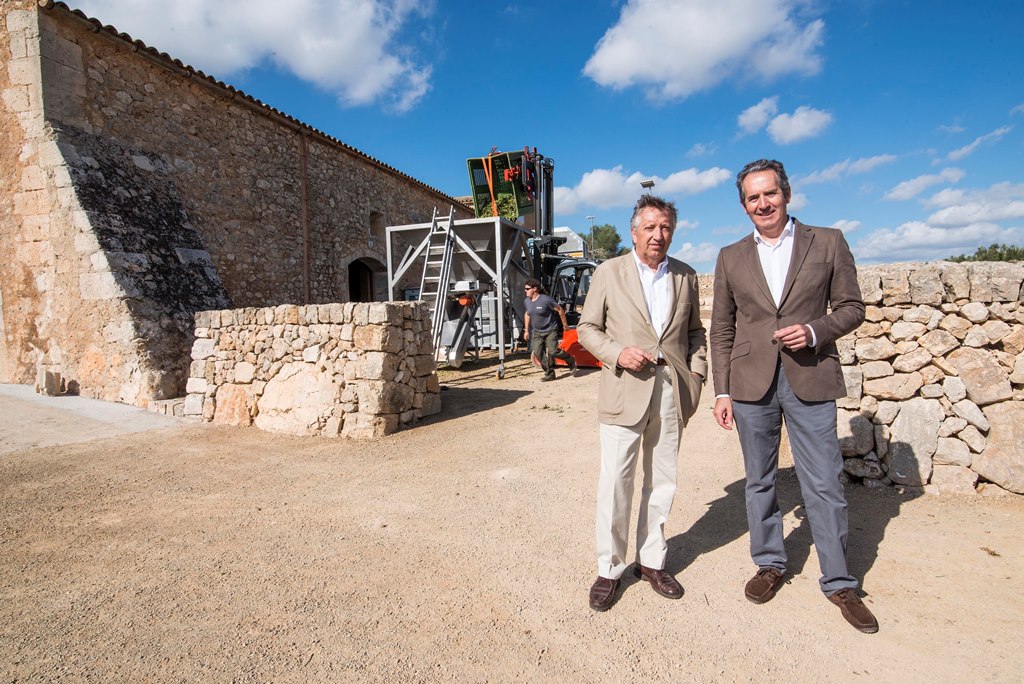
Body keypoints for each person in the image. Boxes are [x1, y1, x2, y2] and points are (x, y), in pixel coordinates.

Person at [710, 159, 877, 633]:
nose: (763, 203)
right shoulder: (729, 256)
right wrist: (722, 390)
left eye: (770, 193)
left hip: (811, 375)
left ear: (786, 193)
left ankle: (839, 581)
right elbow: (721, 328)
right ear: (743, 205)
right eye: (753, 197)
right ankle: (769, 563)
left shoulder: (828, 241)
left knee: (823, 480)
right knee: (758, 480)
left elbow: (852, 307)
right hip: (750, 384)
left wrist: (814, 330)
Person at [577, 195, 707, 612]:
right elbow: (587, 328)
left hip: (670, 392)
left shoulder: (685, 275)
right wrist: (617, 353)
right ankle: (610, 568)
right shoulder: (609, 272)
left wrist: (697, 375)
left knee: (662, 480)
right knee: (616, 482)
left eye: (665, 227)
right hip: (624, 390)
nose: (658, 234)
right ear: (634, 232)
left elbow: (695, 333)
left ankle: (651, 561)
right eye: (649, 227)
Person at [523, 278, 576, 381]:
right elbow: (527, 314)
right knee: (538, 353)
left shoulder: (546, 300)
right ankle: (550, 373)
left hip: (550, 330)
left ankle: (570, 359)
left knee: (553, 351)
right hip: (537, 332)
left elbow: (560, 310)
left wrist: (565, 325)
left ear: (534, 289)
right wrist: (526, 330)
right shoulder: (527, 301)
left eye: (527, 289)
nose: (525, 291)